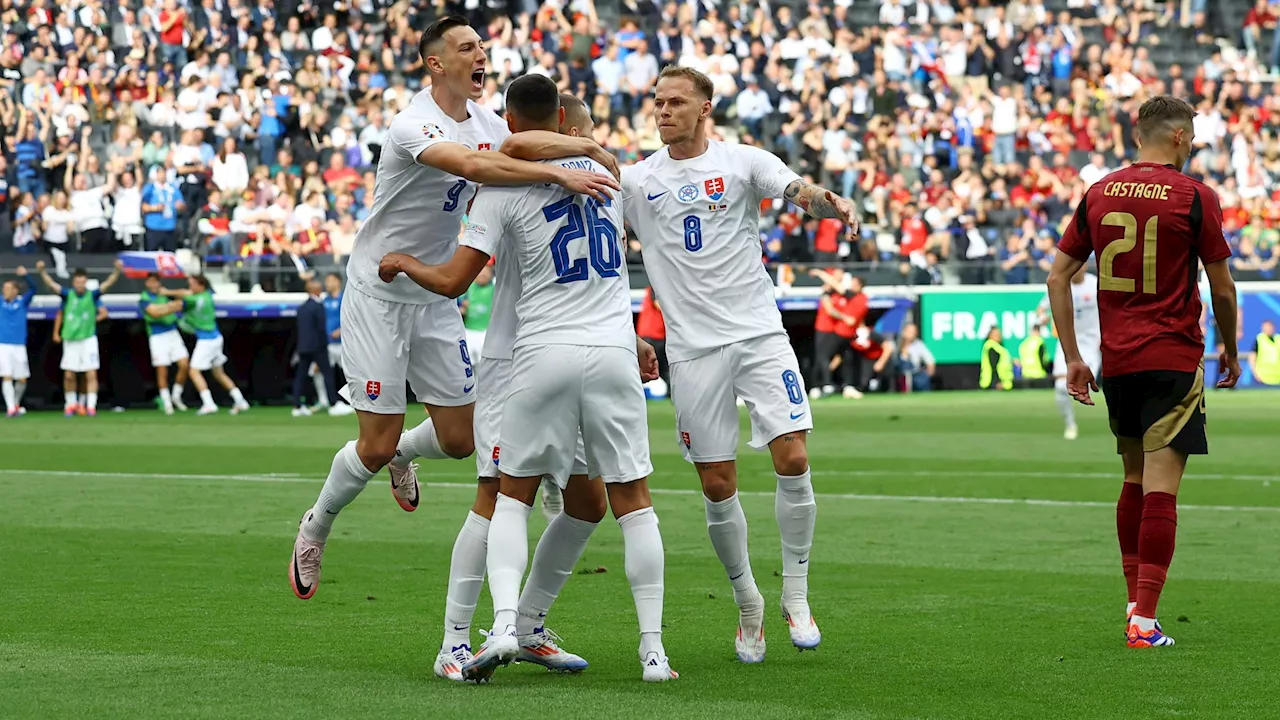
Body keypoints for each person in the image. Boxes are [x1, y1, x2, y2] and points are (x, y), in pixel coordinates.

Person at [287, 15, 620, 609]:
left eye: (483, 46)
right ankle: (317, 524)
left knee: (461, 441)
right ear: (436, 63)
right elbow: (474, 166)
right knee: (373, 445)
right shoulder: (412, 123)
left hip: (437, 294)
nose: (481, 54)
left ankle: (406, 457)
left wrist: (584, 144)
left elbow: (520, 141)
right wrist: (558, 173)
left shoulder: (490, 121)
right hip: (380, 291)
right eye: (467, 47)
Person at [377, 77, 673, 683]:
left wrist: (402, 262)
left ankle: (524, 625)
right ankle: (456, 641)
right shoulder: (594, 177)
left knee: (585, 502)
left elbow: (467, 265)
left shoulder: (509, 177)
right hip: (522, 357)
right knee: (494, 495)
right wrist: (585, 152)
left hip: (549, 348)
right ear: (565, 122)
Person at [620, 66, 859, 662]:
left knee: (794, 454)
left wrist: (828, 203)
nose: (663, 111)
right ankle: (749, 603)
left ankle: (796, 596)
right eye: (658, 102)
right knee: (717, 483)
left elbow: (797, 191)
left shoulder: (744, 161)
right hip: (694, 350)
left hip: (759, 334)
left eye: (676, 102)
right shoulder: (637, 180)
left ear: (706, 107)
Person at [1049, 95, 1241, 650]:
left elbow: (1058, 279)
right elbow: (1222, 286)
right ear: (1179, 137)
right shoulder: (1195, 196)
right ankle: (1144, 622)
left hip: (1119, 362)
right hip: (1173, 357)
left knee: (1132, 479)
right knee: (1162, 490)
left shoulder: (1098, 193)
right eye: (1194, 136)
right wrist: (1229, 348)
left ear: (1139, 136)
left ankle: (1135, 604)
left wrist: (1074, 359)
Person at [37, 260, 123, 416]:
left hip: (88, 339)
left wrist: (117, 271)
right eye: (77, 282)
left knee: (90, 373)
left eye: (83, 282)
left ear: (86, 283)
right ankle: (70, 404)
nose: (80, 285)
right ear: (74, 282)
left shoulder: (92, 295)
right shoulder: (67, 295)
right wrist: (42, 272)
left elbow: (107, 285)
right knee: (69, 374)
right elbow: (52, 285)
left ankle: (90, 406)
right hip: (70, 339)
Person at [161, 274, 251, 416]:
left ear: (200, 285)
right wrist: (168, 292)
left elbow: (178, 304)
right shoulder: (208, 295)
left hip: (206, 340)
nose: (189, 287)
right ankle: (240, 400)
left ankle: (209, 404)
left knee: (194, 371)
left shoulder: (192, 300)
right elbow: (186, 293)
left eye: (192, 284)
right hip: (216, 337)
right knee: (219, 373)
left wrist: (162, 305)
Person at [1038, 266, 1101, 439]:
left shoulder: (1095, 284)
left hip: (1090, 344)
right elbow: (1042, 307)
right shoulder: (1061, 285)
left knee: (1085, 385)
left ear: (1085, 266)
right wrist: (1042, 318)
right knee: (1060, 388)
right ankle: (1070, 424)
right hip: (1067, 342)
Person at [292, 278, 354, 417]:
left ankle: (297, 406)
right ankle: (333, 403)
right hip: (318, 347)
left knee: (301, 376)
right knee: (328, 374)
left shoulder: (302, 307)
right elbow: (321, 329)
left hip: (303, 347)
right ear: (316, 290)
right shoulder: (318, 306)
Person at [139, 273, 190, 415]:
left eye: (156, 282)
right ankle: (167, 402)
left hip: (173, 333)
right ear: (146, 284)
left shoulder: (165, 294)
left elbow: (187, 295)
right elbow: (154, 313)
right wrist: (172, 307)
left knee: (184, 364)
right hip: (157, 336)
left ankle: (176, 396)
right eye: (150, 282)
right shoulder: (144, 298)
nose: (153, 285)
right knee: (162, 371)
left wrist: (168, 293)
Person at [1, 266, 36, 417]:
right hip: (3, 344)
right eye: (4, 288)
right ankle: (10, 408)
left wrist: (26, 275)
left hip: (19, 345)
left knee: (22, 379)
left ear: (15, 291)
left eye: (8, 288)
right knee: (7, 375)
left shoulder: (22, 302)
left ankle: (15, 403)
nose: (5, 291)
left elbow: (34, 288)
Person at [307, 272, 345, 411]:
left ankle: (356, 401)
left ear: (338, 282)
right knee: (316, 370)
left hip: (343, 344)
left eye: (330, 280)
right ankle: (323, 400)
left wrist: (341, 330)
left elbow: (353, 318)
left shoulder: (345, 298)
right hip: (327, 344)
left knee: (350, 373)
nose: (327, 284)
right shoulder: (325, 301)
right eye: (326, 280)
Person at [460, 263, 494, 366]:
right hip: (468, 332)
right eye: (480, 271)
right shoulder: (468, 287)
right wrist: (462, 309)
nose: (483, 274)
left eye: (486, 271)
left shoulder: (495, 288)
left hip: (485, 333)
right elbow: (459, 305)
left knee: (483, 366)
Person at [897, 323, 936, 392]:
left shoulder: (919, 345)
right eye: (909, 332)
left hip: (915, 374)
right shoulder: (897, 344)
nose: (912, 334)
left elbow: (930, 359)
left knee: (922, 380)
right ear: (904, 332)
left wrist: (929, 373)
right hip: (899, 374)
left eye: (914, 332)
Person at [1248, 320, 1279, 385]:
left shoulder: (1278, 338)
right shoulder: (1259, 339)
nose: (1268, 329)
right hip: (1263, 377)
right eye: (1266, 327)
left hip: (1278, 377)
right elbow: (1252, 357)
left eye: (1270, 327)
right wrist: (1255, 373)